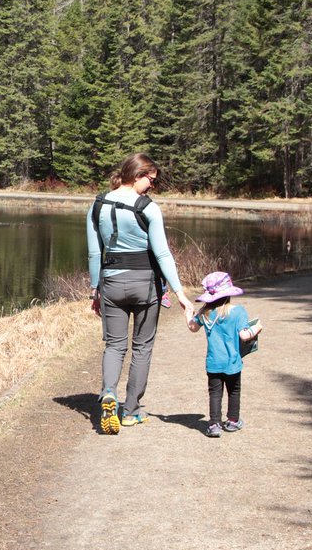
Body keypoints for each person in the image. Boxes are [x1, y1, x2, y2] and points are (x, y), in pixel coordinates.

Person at [87, 153, 195, 434]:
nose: (152, 186)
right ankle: (131, 410)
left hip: (111, 282)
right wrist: (180, 293)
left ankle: (109, 392)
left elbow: (95, 252)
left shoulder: (97, 204)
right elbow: (162, 253)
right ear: (137, 176)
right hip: (145, 285)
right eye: (150, 180)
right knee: (142, 347)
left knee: (114, 346)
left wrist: (95, 289)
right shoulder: (148, 208)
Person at [187, 271, 262, 438]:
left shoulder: (204, 313)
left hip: (213, 362)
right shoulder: (238, 312)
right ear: (229, 294)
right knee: (233, 391)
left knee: (215, 393)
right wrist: (256, 328)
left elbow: (192, 327)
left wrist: (187, 313)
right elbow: (244, 335)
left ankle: (214, 424)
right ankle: (233, 420)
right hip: (232, 362)